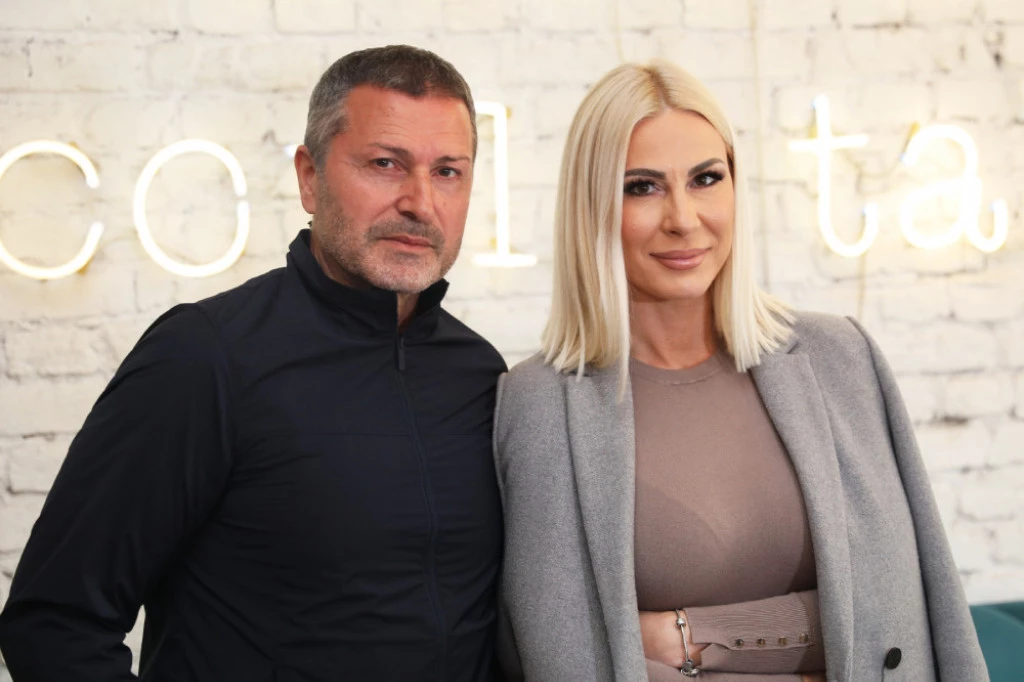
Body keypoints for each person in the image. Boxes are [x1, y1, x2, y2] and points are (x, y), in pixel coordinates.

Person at [0, 45, 507, 681]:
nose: (420, 202)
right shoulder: (205, 356)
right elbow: (54, 623)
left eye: (448, 172)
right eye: (385, 164)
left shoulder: (480, 374)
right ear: (309, 178)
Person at [492, 60, 988, 681]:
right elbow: (565, 661)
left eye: (706, 178)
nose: (683, 218)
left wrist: (685, 636)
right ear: (591, 205)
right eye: (641, 187)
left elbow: (908, 607)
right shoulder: (540, 405)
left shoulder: (841, 358)